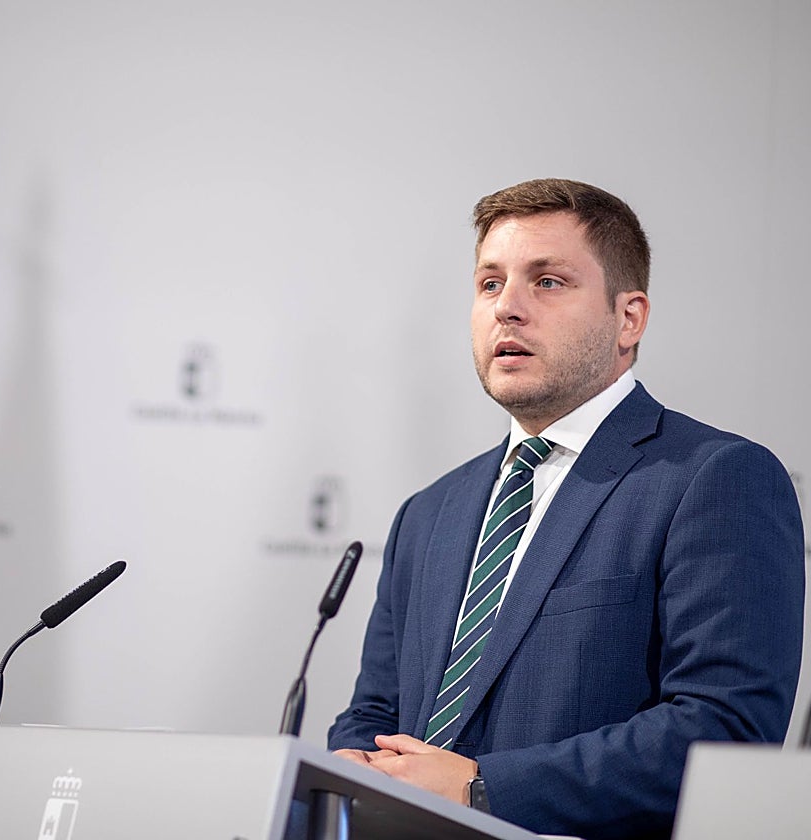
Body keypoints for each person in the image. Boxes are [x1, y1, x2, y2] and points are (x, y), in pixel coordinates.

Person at [327, 178, 805, 839]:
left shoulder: (715, 478)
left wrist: (481, 787)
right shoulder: (428, 512)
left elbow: (724, 730)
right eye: (490, 283)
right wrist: (350, 766)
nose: (507, 309)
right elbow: (376, 709)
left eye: (547, 281)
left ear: (628, 318)